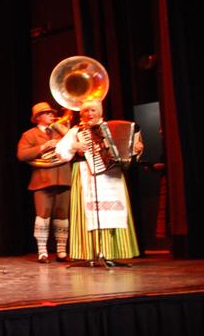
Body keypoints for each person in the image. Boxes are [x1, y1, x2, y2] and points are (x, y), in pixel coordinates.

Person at [54, 99, 143, 261]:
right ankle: (91, 252)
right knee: (91, 212)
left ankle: (114, 252)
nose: (89, 114)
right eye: (86, 111)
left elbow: (128, 153)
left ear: (100, 112)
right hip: (86, 172)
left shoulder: (109, 128)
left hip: (113, 176)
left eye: (93, 110)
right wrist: (74, 146)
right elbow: (60, 151)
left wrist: (136, 150)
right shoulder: (76, 131)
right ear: (81, 114)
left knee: (114, 210)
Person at [16, 102, 72, 262]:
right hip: (42, 180)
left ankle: (61, 251)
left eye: (51, 113)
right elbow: (22, 155)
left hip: (63, 177)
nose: (52, 115)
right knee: (43, 215)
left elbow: (73, 147)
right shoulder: (29, 135)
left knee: (62, 215)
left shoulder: (61, 131)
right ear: (38, 117)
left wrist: (68, 133)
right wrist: (44, 146)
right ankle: (42, 251)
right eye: (47, 113)